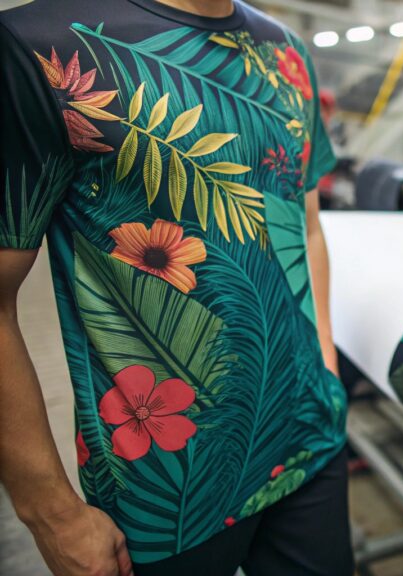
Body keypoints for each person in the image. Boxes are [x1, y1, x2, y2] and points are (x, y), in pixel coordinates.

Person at [0, 0, 351, 574]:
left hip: (309, 436)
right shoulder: (41, 46)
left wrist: (327, 363)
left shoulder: (285, 52)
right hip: (168, 492)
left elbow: (306, 226)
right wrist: (50, 512)